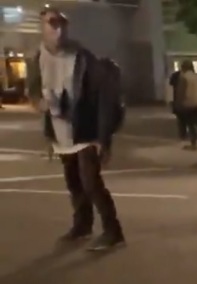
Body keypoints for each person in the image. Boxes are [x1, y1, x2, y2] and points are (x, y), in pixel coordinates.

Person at [29, 8, 124, 251]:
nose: (58, 30)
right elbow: (33, 90)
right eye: (52, 24)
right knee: (73, 182)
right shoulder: (36, 58)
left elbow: (105, 98)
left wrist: (104, 138)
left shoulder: (82, 57)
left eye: (62, 25)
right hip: (60, 132)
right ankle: (82, 225)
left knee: (91, 182)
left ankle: (113, 231)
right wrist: (38, 103)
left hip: (86, 131)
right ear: (42, 26)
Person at [174, 60, 197, 151]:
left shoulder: (183, 77)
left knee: (190, 124)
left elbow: (181, 92)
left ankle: (194, 143)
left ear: (184, 67)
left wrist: (178, 104)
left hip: (188, 103)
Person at [168, 68, 186, 140]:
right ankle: (186, 133)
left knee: (181, 118)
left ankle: (182, 133)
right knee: (188, 118)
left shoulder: (175, 76)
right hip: (187, 99)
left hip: (178, 100)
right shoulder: (187, 76)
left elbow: (171, 83)